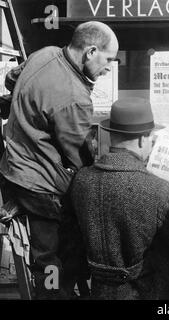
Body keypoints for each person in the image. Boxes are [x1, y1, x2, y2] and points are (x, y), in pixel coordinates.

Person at [0, 21, 119, 299]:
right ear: (91, 52)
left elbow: (11, 79)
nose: (109, 67)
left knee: (56, 255)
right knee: (52, 260)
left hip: (13, 166)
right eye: (108, 59)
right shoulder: (75, 98)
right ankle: (54, 294)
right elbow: (76, 155)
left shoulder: (45, 53)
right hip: (39, 185)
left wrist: (27, 102)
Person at [71, 98, 169, 300]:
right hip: (152, 292)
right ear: (141, 140)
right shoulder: (159, 189)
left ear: (112, 136)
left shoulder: (82, 180)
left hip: (103, 293)